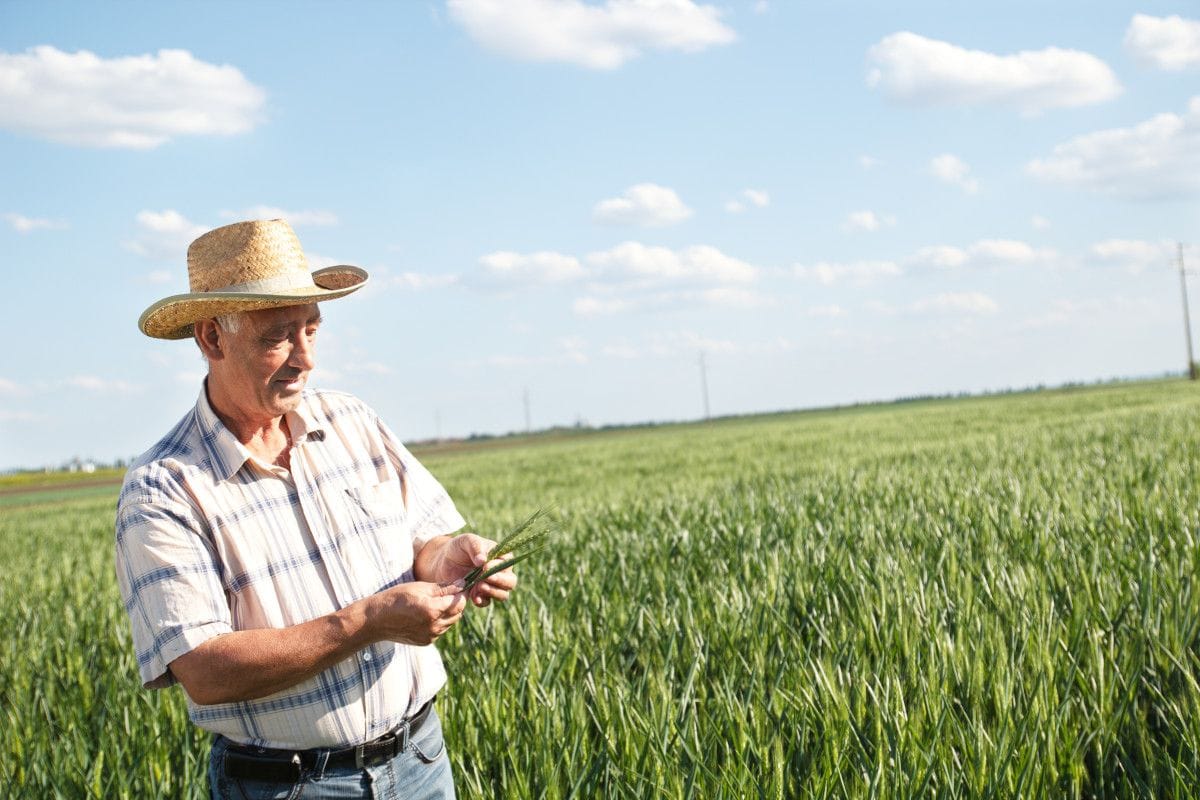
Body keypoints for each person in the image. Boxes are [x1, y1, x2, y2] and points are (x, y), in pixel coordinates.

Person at [115, 218, 515, 799]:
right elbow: (202, 669)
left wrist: (451, 557)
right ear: (211, 338)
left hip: (421, 760)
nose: (305, 358)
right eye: (277, 336)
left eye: (311, 329)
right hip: (290, 787)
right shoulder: (164, 489)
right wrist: (368, 622)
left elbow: (423, 543)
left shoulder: (351, 420)